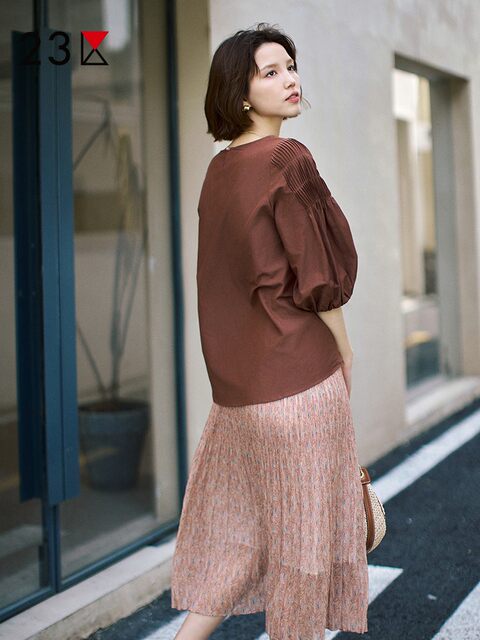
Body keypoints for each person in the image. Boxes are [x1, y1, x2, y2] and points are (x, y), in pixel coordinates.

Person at [170, 22, 369, 640]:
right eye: (270, 72)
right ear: (241, 93)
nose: (290, 80)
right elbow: (320, 273)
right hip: (300, 382)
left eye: (290, 67)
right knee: (303, 558)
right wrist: (345, 352)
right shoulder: (288, 158)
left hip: (237, 397)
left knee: (241, 541)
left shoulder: (218, 170)